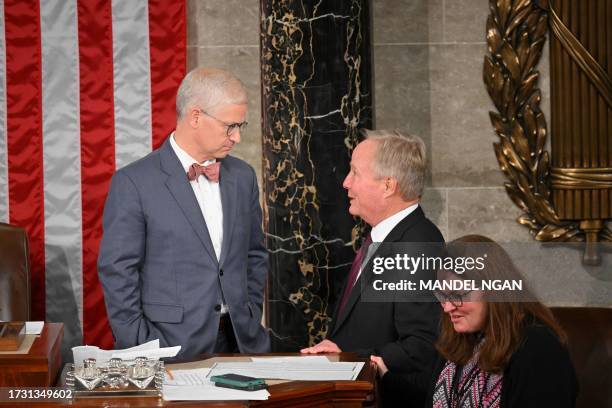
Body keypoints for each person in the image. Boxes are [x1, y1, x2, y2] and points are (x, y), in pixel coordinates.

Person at [98, 67, 270, 358]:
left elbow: (255, 255)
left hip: (241, 341)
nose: (237, 137)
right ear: (195, 117)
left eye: (241, 125)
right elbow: (118, 272)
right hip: (168, 347)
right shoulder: (133, 182)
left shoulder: (243, 177)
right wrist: (140, 345)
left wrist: (250, 313)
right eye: (230, 126)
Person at [301, 130, 444, 406]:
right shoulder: (382, 235)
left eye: (355, 173)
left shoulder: (418, 243)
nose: (345, 183)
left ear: (388, 186)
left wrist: (349, 355)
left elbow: (421, 344)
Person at [371, 235, 578, 407]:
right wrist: (383, 374)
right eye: (443, 296)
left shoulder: (539, 348)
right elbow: (429, 393)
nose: (447, 307)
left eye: (458, 295)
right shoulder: (466, 336)